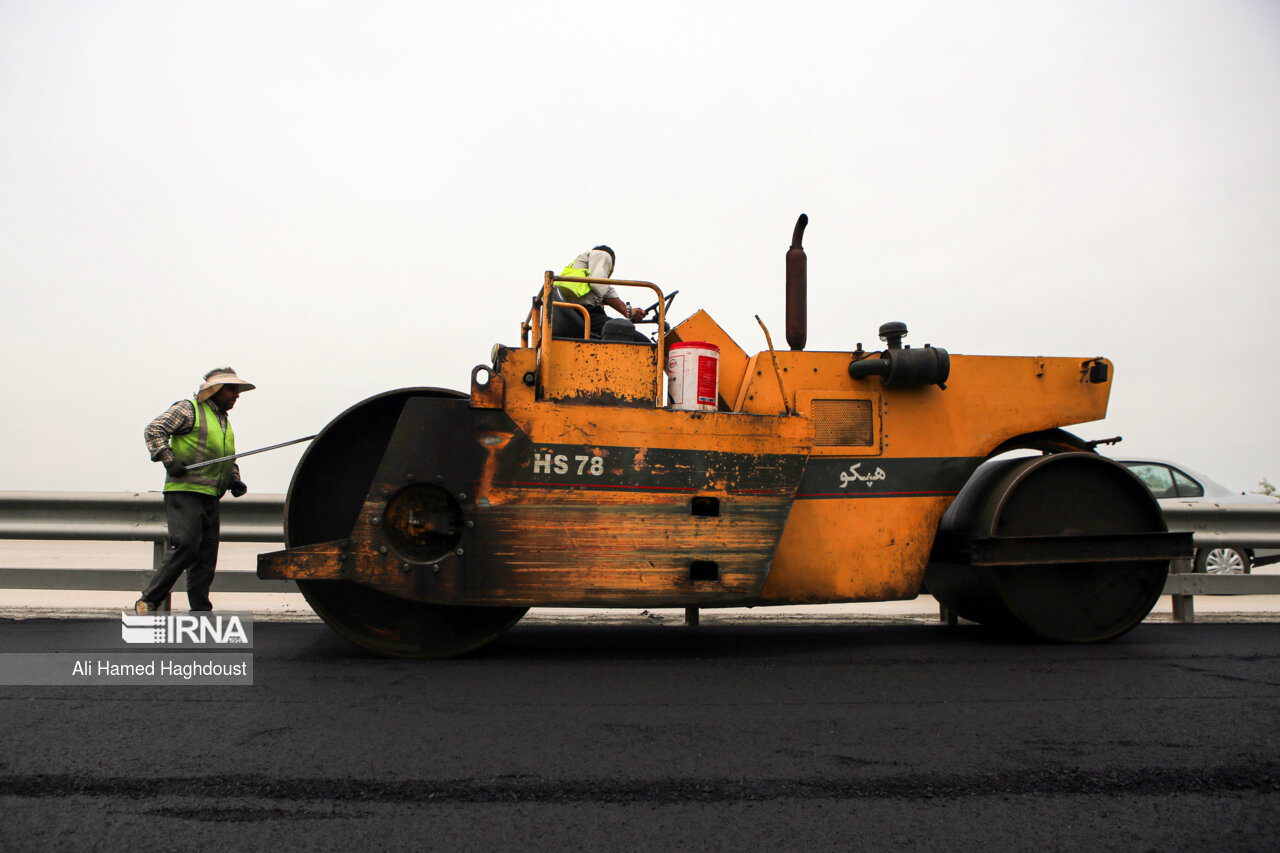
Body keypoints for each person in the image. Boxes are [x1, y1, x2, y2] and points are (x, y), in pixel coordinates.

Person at [135, 367, 255, 614]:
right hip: (185, 491)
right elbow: (154, 430)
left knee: (206, 558)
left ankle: (201, 610)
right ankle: (149, 599)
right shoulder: (189, 409)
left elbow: (226, 457)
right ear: (216, 390)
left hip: (211, 496)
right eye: (232, 390)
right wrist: (168, 459)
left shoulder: (223, 421)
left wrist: (234, 478)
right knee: (188, 545)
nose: (237, 395)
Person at [553, 245, 649, 341]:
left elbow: (601, 288)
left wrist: (627, 312)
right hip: (584, 312)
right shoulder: (603, 255)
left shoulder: (576, 268)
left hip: (569, 314)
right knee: (640, 341)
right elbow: (599, 284)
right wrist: (628, 311)